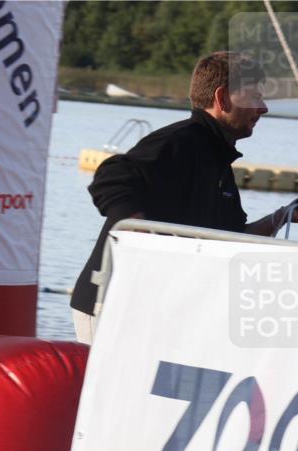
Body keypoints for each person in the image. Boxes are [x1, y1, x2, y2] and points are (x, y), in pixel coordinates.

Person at [70, 51, 298, 344]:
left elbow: (233, 236)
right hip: (112, 305)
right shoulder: (180, 141)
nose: (263, 108)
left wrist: (282, 215)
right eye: (255, 96)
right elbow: (111, 174)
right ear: (223, 98)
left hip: (157, 310)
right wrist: (138, 236)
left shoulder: (218, 160)